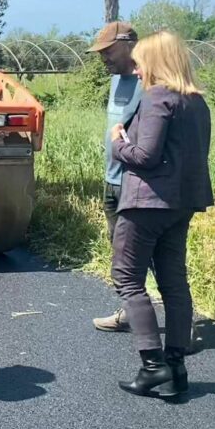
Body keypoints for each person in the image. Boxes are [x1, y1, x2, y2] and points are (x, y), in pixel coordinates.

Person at [109, 31, 213, 398]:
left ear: (155, 62)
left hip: (147, 203)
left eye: (140, 63)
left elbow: (145, 157)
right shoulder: (197, 102)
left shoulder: (157, 99)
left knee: (127, 277)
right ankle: (177, 366)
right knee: (173, 281)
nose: (136, 71)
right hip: (183, 203)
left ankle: (153, 367)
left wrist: (119, 142)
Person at [87, 21, 141, 332]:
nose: (103, 58)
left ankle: (180, 324)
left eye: (108, 51)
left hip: (138, 185)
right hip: (113, 180)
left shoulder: (151, 81)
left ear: (128, 44)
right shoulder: (115, 81)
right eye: (100, 53)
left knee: (153, 255)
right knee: (121, 253)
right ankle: (130, 310)